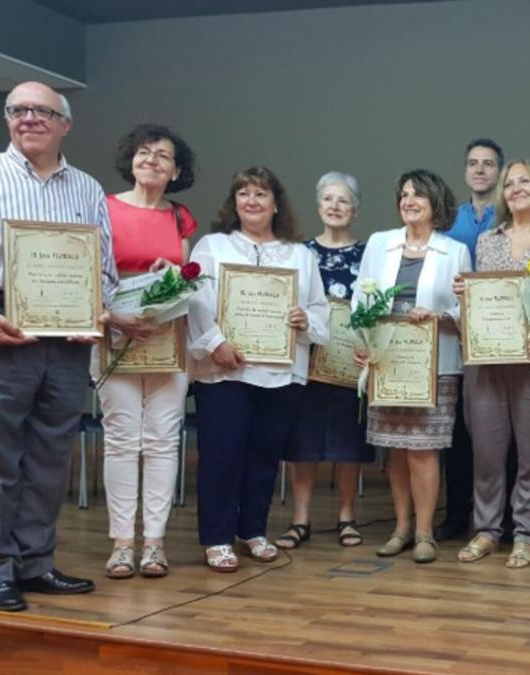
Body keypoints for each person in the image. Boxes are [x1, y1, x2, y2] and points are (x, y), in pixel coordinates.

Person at [0, 81, 151, 612]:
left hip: (68, 337)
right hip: (2, 327)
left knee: (49, 454)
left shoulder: (85, 188)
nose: (29, 118)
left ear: (65, 124)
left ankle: (34, 562)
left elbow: (101, 268)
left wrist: (99, 312)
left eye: (42, 111)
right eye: (18, 110)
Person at [187, 166, 329, 572]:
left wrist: (306, 322)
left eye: (260, 194)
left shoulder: (301, 255)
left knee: (264, 456)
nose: (251, 201)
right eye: (243, 193)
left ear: (275, 204)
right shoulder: (213, 246)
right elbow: (196, 302)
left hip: (283, 372)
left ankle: (253, 530)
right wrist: (216, 345)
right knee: (221, 454)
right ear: (234, 202)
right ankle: (217, 538)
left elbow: (320, 312)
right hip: (226, 370)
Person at [452, 159, 530, 569]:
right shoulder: (487, 241)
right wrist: (464, 293)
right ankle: (487, 531)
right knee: (487, 452)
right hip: (488, 363)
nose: (516, 188)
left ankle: (524, 534)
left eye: (525, 181)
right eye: (510, 183)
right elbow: (483, 300)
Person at [98, 124, 199, 580]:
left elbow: (188, 283)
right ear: (130, 159)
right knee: (121, 440)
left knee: (162, 441)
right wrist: (111, 318)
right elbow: (89, 273)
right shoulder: (103, 208)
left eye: (163, 156)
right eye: (144, 152)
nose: (152, 160)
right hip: (115, 336)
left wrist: (172, 273)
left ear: (177, 170)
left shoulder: (181, 218)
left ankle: (154, 543)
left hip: (166, 340)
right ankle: (122, 543)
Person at [357, 169, 470, 564]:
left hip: (435, 364)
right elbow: (360, 300)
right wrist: (364, 344)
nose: (408, 201)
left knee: (424, 450)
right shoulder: (380, 243)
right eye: (404, 194)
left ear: (435, 202)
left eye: (417, 194)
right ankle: (401, 528)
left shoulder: (454, 250)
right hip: (388, 361)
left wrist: (437, 314)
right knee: (396, 450)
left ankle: (425, 534)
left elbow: (465, 310)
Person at [276, 172, 371, 550]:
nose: (335, 206)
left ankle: (347, 517)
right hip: (307, 359)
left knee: (348, 442)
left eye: (343, 200)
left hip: (350, 362)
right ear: (318, 206)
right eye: (328, 199)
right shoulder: (300, 252)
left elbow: (374, 310)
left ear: (356, 210)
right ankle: (300, 520)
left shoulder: (368, 255)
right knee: (304, 441)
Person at [436, 138, 512, 543]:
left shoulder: (513, 213)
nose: (480, 170)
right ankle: (456, 514)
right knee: (459, 434)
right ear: (465, 171)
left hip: (501, 340)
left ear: (499, 171)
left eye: (488, 164)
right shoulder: (449, 218)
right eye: (473, 163)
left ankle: (508, 517)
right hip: (456, 336)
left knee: (504, 433)